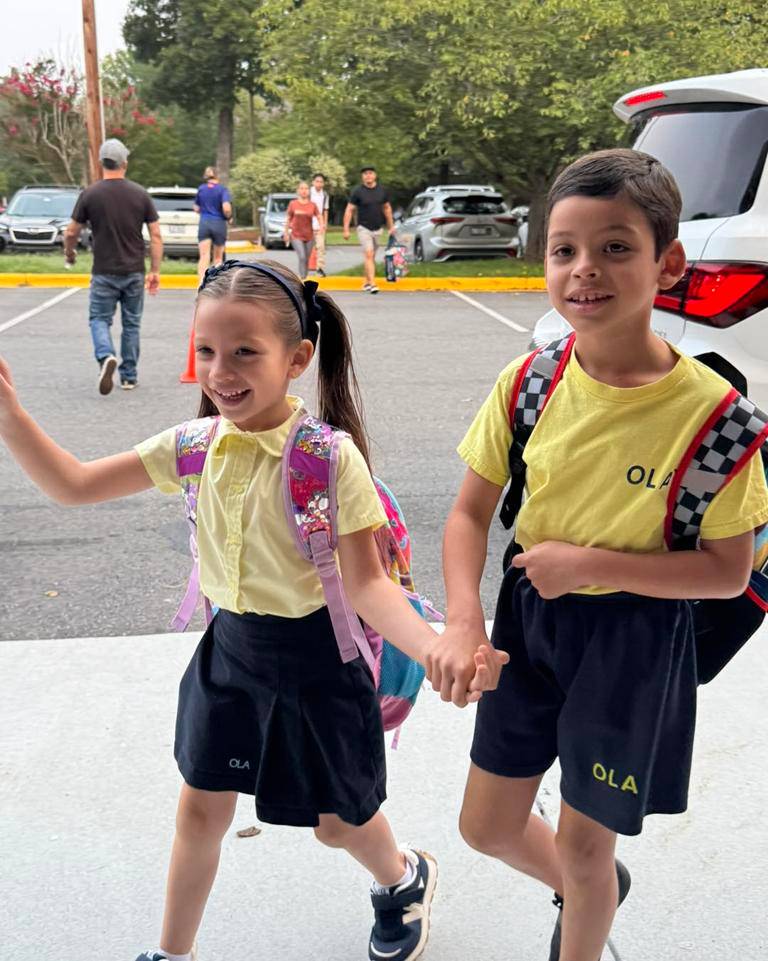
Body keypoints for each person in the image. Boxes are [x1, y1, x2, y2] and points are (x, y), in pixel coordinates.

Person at [0, 258, 509, 961]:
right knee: (200, 809)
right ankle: (173, 953)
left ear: (297, 359)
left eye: (244, 351)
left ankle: (401, 877)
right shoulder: (193, 447)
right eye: (206, 350)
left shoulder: (326, 459)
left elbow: (368, 586)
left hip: (320, 665)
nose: (220, 371)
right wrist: (11, 414)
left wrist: (434, 648)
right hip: (231, 656)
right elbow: (74, 484)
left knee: (338, 823)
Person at [435, 149, 768, 961]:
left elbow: (727, 571)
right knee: (486, 825)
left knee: (586, 845)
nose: (585, 268)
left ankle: (586, 911)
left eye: (616, 247)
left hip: (635, 643)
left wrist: (591, 565)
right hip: (528, 626)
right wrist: (464, 618)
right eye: (565, 249)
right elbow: (468, 513)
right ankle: (599, 891)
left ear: (669, 262)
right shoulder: (529, 383)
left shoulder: (718, 420)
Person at [65, 138, 162, 394]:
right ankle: (128, 376)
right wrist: (155, 270)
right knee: (131, 324)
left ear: (101, 163)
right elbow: (156, 235)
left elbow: (71, 231)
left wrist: (70, 253)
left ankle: (105, 355)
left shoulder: (90, 194)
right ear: (124, 163)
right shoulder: (140, 194)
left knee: (99, 319)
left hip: (103, 271)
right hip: (134, 271)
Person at [343, 166, 395, 295]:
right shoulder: (358, 191)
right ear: (362, 177)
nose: (368, 176)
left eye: (370, 173)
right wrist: (346, 229)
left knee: (371, 257)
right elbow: (349, 210)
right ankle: (372, 284)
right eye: (365, 174)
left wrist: (391, 226)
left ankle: (366, 282)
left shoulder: (382, 191)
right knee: (369, 254)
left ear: (375, 175)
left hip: (378, 228)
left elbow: (387, 208)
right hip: (363, 228)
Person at [194, 166, 232, 285]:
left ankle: (201, 283)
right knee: (218, 258)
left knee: (204, 256)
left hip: (204, 223)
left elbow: (196, 208)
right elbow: (226, 208)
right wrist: (229, 217)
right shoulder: (222, 190)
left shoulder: (201, 189)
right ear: (217, 176)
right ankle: (216, 284)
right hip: (218, 223)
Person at [284, 182, 320, 280]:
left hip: (309, 236)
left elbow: (319, 216)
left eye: (306, 188)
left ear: (309, 191)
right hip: (296, 235)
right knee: (302, 257)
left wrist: (321, 226)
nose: (304, 191)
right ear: (298, 191)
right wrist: (286, 233)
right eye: (302, 188)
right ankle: (302, 279)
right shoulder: (293, 204)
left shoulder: (312, 205)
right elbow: (288, 218)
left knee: (306, 259)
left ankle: (305, 277)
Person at [310, 172, 330, 278]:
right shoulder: (308, 193)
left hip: (319, 225)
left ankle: (320, 269)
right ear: (313, 182)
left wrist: (324, 224)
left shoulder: (325, 195)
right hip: (307, 224)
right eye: (317, 181)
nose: (319, 184)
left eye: (321, 182)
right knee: (306, 249)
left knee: (321, 247)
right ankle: (304, 269)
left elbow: (325, 210)